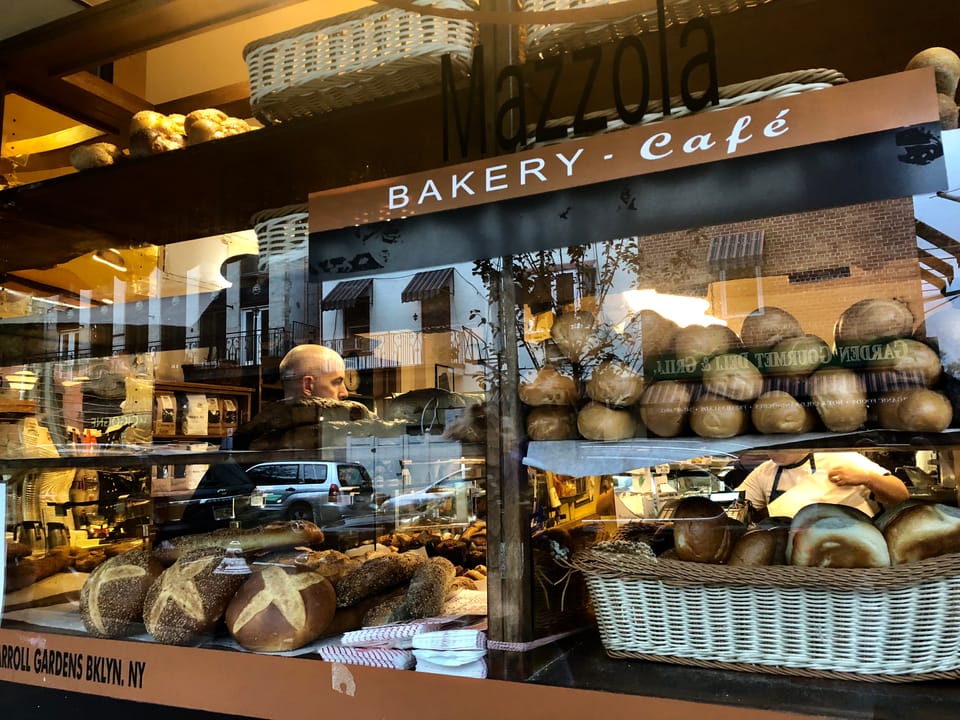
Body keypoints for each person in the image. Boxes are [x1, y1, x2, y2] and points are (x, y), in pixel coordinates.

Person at [232, 344, 392, 451]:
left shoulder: (255, 438)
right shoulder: (339, 436)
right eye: (337, 382)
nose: (344, 393)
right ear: (308, 385)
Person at [736, 449, 910, 521]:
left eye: (777, 445)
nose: (769, 452)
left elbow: (901, 495)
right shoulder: (765, 471)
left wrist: (868, 478)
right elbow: (735, 510)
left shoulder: (842, 457)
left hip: (849, 554)